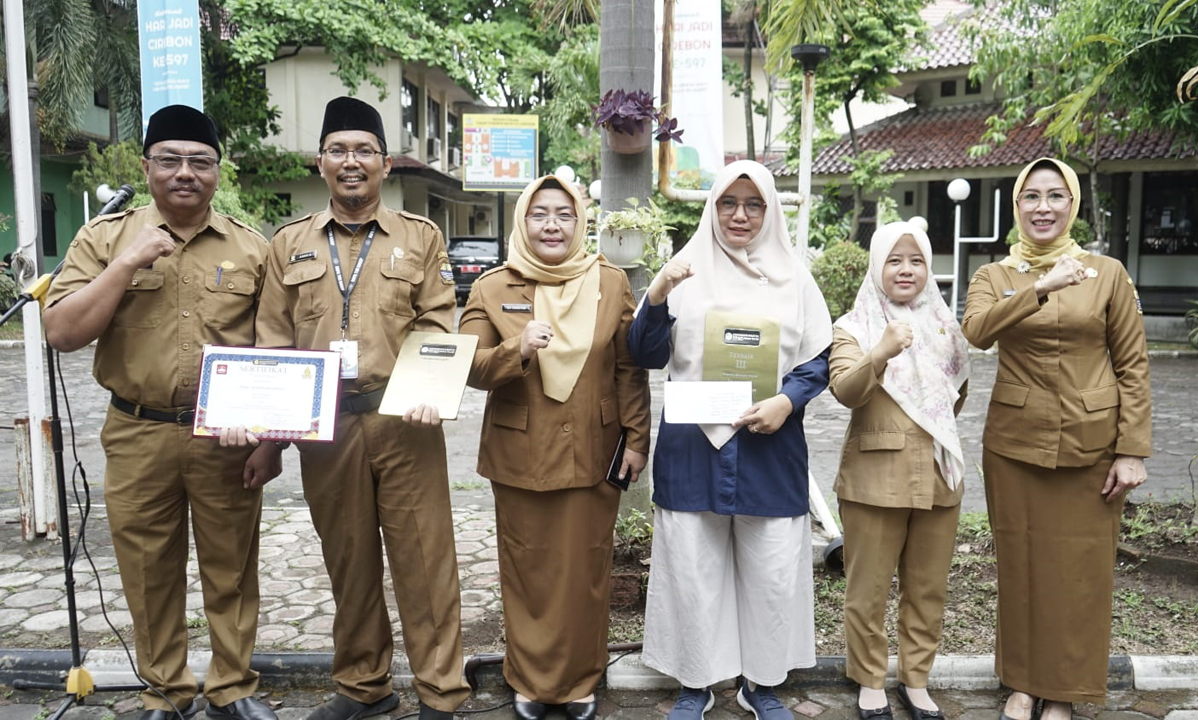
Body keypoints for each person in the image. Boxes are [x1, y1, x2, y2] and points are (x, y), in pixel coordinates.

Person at [43, 105, 280, 720]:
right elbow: (62, 331)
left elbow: (277, 350)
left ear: (217, 173)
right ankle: (166, 691)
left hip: (225, 437)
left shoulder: (252, 249)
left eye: (199, 162)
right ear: (146, 166)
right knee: (148, 571)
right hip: (137, 431)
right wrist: (125, 264)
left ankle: (231, 688)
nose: (185, 173)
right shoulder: (104, 239)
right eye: (170, 160)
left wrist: (270, 441)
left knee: (230, 568)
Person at [251, 97, 470, 720]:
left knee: (425, 561)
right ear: (321, 162)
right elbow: (273, 339)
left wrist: (431, 393)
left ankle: (441, 693)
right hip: (326, 428)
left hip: (405, 422)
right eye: (339, 150)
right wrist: (273, 433)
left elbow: (436, 324)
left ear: (384, 164)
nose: (352, 162)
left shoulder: (419, 238)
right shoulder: (289, 243)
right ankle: (364, 686)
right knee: (348, 561)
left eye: (364, 151)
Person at [628, 160, 832, 720]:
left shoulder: (795, 277)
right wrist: (659, 294)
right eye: (728, 203)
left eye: (753, 204)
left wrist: (787, 400)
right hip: (693, 445)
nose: (739, 215)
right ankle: (696, 683)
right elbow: (645, 353)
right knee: (692, 571)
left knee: (770, 572)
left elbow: (820, 359)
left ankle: (759, 684)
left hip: (770, 445)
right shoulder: (686, 270)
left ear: (769, 212)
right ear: (711, 207)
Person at [961, 158, 1151, 720]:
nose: (1043, 207)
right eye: (1031, 197)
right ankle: (1021, 684)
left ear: (1073, 205)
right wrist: (1039, 287)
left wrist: (1132, 448)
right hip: (1014, 444)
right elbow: (977, 332)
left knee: (1081, 571)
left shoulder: (1108, 273)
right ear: (1016, 206)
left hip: (1094, 445)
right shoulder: (994, 275)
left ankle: (1064, 690)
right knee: (1019, 567)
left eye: (1055, 196)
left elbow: (1133, 365)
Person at [458, 175, 651, 720]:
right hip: (521, 453)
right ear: (523, 220)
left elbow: (628, 367)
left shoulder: (610, 283)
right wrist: (515, 349)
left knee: (586, 572)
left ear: (580, 222)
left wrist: (637, 438)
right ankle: (530, 681)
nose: (552, 225)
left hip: (595, 448)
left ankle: (581, 681)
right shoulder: (493, 287)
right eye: (540, 213)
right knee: (529, 571)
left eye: (564, 215)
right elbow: (469, 368)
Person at [828, 222, 971, 720]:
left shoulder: (944, 328)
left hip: (937, 477)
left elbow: (957, 397)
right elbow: (845, 390)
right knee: (867, 588)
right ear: (877, 266)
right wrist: (883, 350)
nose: (906, 269)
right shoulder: (853, 326)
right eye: (894, 259)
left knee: (928, 587)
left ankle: (916, 678)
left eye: (915, 260)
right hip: (874, 478)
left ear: (928, 268)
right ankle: (869, 680)